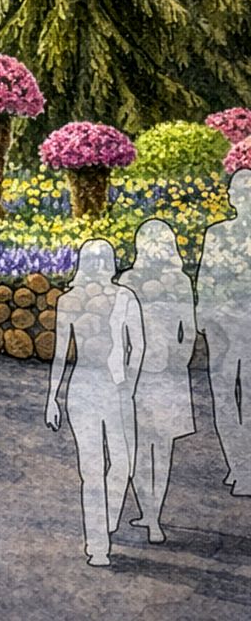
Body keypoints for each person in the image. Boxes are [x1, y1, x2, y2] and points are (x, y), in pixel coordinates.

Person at [45, 239, 145, 567]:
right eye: (95, 261)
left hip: (117, 388)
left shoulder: (125, 298)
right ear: (86, 264)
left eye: (106, 260)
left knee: (123, 464)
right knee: (90, 470)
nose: (102, 267)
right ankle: (97, 544)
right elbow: (61, 352)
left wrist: (129, 383)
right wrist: (52, 398)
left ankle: (108, 521)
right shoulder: (70, 300)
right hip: (83, 389)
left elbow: (138, 346)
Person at [120, 219, 196, 542]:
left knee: (138, 446)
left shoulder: (128, 280)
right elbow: (189, 332)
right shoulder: (179, 281)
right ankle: (154, 518)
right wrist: (178, 363)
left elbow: (119, 332)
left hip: (136, 374)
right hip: (168, 374)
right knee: (162, 449)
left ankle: (148, 513)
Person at [195, 169, 250, 496]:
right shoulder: (216, 234)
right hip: (224, 327)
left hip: (234, 325)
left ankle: (244, 469)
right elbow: (206, 278)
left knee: (232, 399)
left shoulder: (218, 233)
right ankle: (240, 465)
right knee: (226, 398)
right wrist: (205, 316)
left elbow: (207, 280)